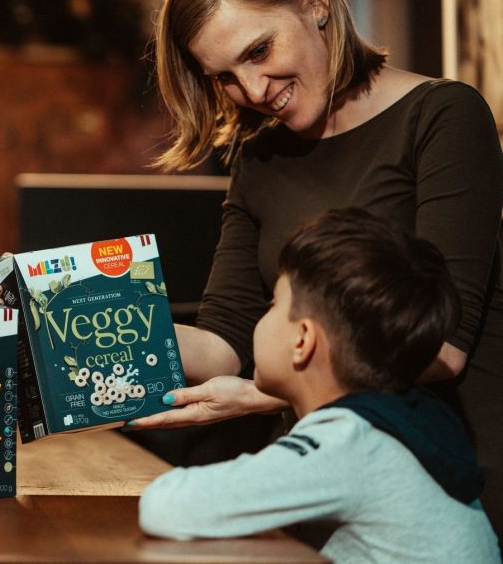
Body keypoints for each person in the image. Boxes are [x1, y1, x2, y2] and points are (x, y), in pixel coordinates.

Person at [0, 0, 503, 530]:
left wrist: (264, 395)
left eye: (259, 51)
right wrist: (52, 325)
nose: (252, 89)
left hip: (449, 479)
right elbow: (225, 343)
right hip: (328, 477)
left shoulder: (443, 117)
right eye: (223, 75)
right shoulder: (261, 157)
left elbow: (440, 348)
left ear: (316, 4)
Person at [138, 208, 500, 562]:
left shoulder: (348, 442)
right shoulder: (408, 420)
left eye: (273, 304)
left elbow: (166, 507)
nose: (262, 318)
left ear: (303, 340)